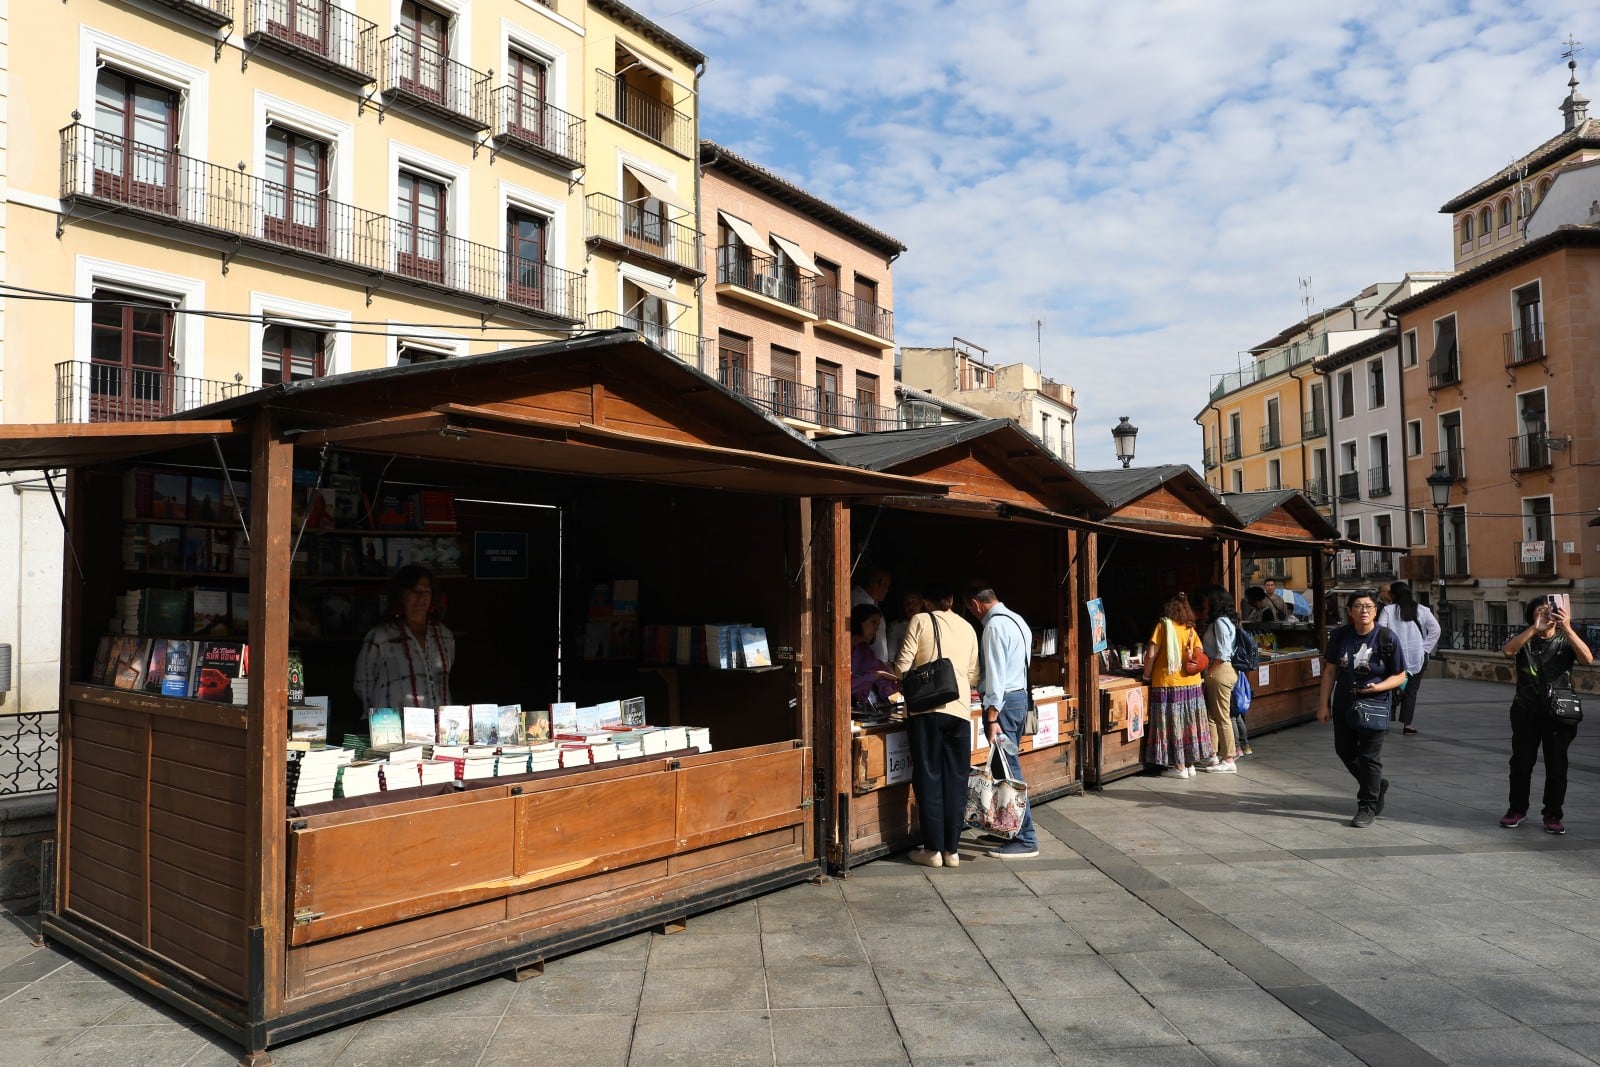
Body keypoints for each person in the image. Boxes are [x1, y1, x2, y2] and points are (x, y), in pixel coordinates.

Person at [882, 582, 979, 868]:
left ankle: (933, 850)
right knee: (957, 779)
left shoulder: (920, 620)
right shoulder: (967, 627)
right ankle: (952, 850)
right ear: (950, 598)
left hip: (926, 710)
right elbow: (973, 675)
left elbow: (902, 666)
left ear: (925, 601)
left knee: (929, 777)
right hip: (960, 710)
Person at [1499, 597, 1593, 834]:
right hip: (1526, 711)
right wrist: (1534, 629)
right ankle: (1516, 809)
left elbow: (1587, 659)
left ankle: (1553, 814)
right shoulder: (1525, 640)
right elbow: (1508, 651)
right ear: (1532, 616)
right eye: (1541, 611)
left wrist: (1568, 628)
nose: (1548, 615)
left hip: (1559, 713)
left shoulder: (1565, 640)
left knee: (1557, 767)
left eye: (1551, 611)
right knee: (1521, 764)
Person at [1317, 589, 1407, 828]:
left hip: (1374, 706)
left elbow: (1400, 675)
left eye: (1368, 606)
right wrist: (1323, 703)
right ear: (1350, 612)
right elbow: (1330, 671)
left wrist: (1378, 688)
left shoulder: (1386, 638)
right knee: (1344, 750)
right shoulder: (1340, 636)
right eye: (1358, 606)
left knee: (1369, 757)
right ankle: (1376, 784)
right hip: (1344, 703)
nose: (1364, 610)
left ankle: (1367, 806)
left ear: (1376, 610)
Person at [967, 583, 1037, 859]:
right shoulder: (1017, 620)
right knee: (1003, 770)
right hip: (1019, 699)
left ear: (975, 604)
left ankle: (1025, 837)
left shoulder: (993, 626)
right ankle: (1005, 829)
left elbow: (996, 673)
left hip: (1004, 703)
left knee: (1009, 773)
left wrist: (992, 713)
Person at [354, 564, 456, 713]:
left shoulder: (445, 636)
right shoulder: (380, 637)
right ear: (401, 595)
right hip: (393, 729)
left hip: (439, 728)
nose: (421, 597)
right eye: (414, 591)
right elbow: (362, 685)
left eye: (426, 591)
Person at [1141, 592, 1212, 779]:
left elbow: (1150, 655)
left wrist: (1146, 674)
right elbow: (1199, 653)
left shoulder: (1163, 627)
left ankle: (1179, 766)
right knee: (1189, 724)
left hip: (1168, 683)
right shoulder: (1190, 628)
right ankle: (1190, 765)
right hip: (1192, 684)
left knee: (1173, 725)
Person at [1377, 581, 1441, 735]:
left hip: (1394, 657)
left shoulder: (1388, 610)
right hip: (1417, 657)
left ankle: (1385, 722)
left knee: (1390, 688)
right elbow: (1436, 630)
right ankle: (1408, 725)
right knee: (1411, 691)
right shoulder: (1423, 610)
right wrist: (1424, 648)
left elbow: (1380, 630)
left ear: (1393, 595)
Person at [1198, 585, 1240, 772]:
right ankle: (1213, 754)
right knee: (1213, 716)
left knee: (1221, 717)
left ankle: (1228, 758)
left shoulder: (1220, 623)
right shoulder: (1222, 622)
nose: (1204, 602)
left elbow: (1223, 653)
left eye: (1207, 599)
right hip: (1219, 670)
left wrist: (1209, 672)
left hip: (1220, 670)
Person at [849, 604, 899, 708]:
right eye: (873, 622)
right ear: (859, 621)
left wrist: (897, 689)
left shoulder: (864, 650)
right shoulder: (842, 648)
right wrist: (875, 675)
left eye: (878, 624)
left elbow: (880, 670)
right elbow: (845, 685)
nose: (876, 628)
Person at [851, 563, 893, 662]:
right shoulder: (856, 600)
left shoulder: (873, 603)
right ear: (881, 583)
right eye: (887, 586)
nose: (887, 591)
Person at [884, 587, 925, 666]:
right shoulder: (896, 626)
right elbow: (890, 657)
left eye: (913, 601)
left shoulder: (928, 623)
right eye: (907, 603)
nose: (910, 606)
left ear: (921, 603)